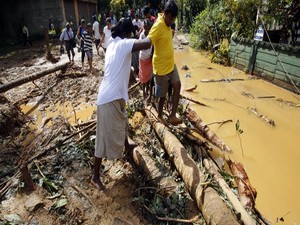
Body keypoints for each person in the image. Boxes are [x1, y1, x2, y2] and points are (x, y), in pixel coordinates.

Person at [91, 18, 152, 190]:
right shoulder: (124, 44)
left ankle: (127, 148)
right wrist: (157, 28)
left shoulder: (112, 44)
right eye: (131, 34)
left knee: (123, 121)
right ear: (127, 34)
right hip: (109, 98)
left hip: (113, 95)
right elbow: (147, 43)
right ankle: (95, 177)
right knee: (103, 139)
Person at [147, 0, 182, 125]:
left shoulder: (168, 25)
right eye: (170, 18)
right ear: (164, 13)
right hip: (161, 68)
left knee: (177, 85)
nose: (172, 21)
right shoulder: (157, 26)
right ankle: (160, 115)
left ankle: (172, 116)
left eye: (174, 19)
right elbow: (148, 41)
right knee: (162, 95)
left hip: (171, 64)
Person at [138, 19, 153, 103]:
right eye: (146, 27)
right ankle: (144, 92)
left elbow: (153, 46)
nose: (147, 29)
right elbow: (141, 45)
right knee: (143, 76)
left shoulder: (151, 35)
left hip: (149, 58)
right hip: (143, 58)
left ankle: (147, 90)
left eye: (148, 28)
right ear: (144, 27)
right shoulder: (142, 35)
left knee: (148, 76)